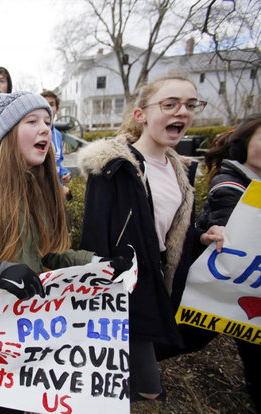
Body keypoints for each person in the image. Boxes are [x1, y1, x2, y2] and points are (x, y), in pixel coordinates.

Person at [0, 92, 130, 414]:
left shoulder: (38, 191)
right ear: (9, 134)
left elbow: (49, 256)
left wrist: (98, 266)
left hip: (26, 335)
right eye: (32, 121)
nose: (45, 128)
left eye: (48, 122)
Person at [78, 74, 224, 402]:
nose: (182, 112)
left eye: (190, 105)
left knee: (147, 368)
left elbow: (171, 229)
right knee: (146, 389)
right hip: (126, 287)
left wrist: (201, 237)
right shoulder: (114, 167)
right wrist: (101, 293)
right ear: (141, 115)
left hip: (161, 280)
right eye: (169, 104)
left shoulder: (180, 169)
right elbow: (94, 236)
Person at [180, 113, 260, 410]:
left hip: (243, 293)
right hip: (220, 288)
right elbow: (234, 234)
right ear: (242, 146)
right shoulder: (230, 185)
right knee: (185, 338)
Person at [40, 90, 72, 200]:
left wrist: (65, 173)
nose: (47, 107)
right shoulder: (35, 133)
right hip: (41, 193)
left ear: (57, 110)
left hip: (56, 194)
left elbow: (57, 164)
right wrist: (59, 188)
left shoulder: (57, 135)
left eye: (51, 104)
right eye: (44, 103)